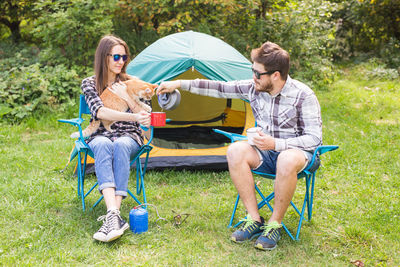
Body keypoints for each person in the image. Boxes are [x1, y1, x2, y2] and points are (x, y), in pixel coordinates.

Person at [157, 41, 322, 250]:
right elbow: (219, 88)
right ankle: (254, 218)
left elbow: (314, 138)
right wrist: (179, 84)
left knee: (286, 158)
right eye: (252, 70)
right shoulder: (254, 88)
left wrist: (277, 143)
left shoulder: (303, 95)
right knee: (235, 150)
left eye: (258, 73)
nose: (253, 76)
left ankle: (275, 224)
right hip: (266, 153)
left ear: (276, 75)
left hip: (299, 155)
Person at [81, 35, 151, 242]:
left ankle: (113, 216)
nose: (121, 61)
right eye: (117, 56)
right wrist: (133, 115)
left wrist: (128, 97)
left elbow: (146, 115)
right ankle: (114, 214)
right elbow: (100, 112)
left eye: (124, 57)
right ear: (104, 57)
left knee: (120, 144)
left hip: (130, 135)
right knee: (102, 143)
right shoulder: (89, 83)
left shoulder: (132, 82)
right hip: (101, 133)